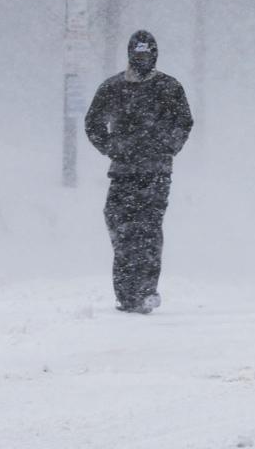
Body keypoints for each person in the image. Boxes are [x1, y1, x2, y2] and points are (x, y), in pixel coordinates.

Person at [85, 30, 193, 314]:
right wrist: (110, 147)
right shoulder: (112, 87)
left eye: (147, 53)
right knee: (119, 227)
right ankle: (125, 294)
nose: (142, 58)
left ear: (154, 55)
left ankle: (145, 291)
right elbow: (92, 122)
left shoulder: (169, 87)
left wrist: (167, 146)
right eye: (138, 53)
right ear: (131, 54)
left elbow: (184, 122)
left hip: (156, 172)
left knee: (147, 229)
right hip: (121, 172)